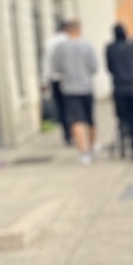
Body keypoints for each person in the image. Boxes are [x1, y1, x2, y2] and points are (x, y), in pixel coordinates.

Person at [52, 18, 98, 164]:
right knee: (90, 119)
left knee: (76, 120)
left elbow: (57, 67)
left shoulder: (60, 47)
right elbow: (93, 66)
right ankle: (91, 147)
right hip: (86, 87)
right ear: (79, 29)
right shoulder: (87, 45)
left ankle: (83, 152)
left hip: (69, 89)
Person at [105, 23, 133, 159]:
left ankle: (123, 142)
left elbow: (109, 67)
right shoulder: (132, 47)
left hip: (119, 86)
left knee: (121, 116)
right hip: (132, 86)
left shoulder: (110, 48)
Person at [41, 21, 71, 145]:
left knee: (61, 107)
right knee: (71, 107)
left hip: (55, 80)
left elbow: (46, 63)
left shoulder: (49, 42)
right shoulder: (70, 40)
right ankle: (74, 132)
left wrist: (44, 80)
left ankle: (67, 135)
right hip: (70, 80)